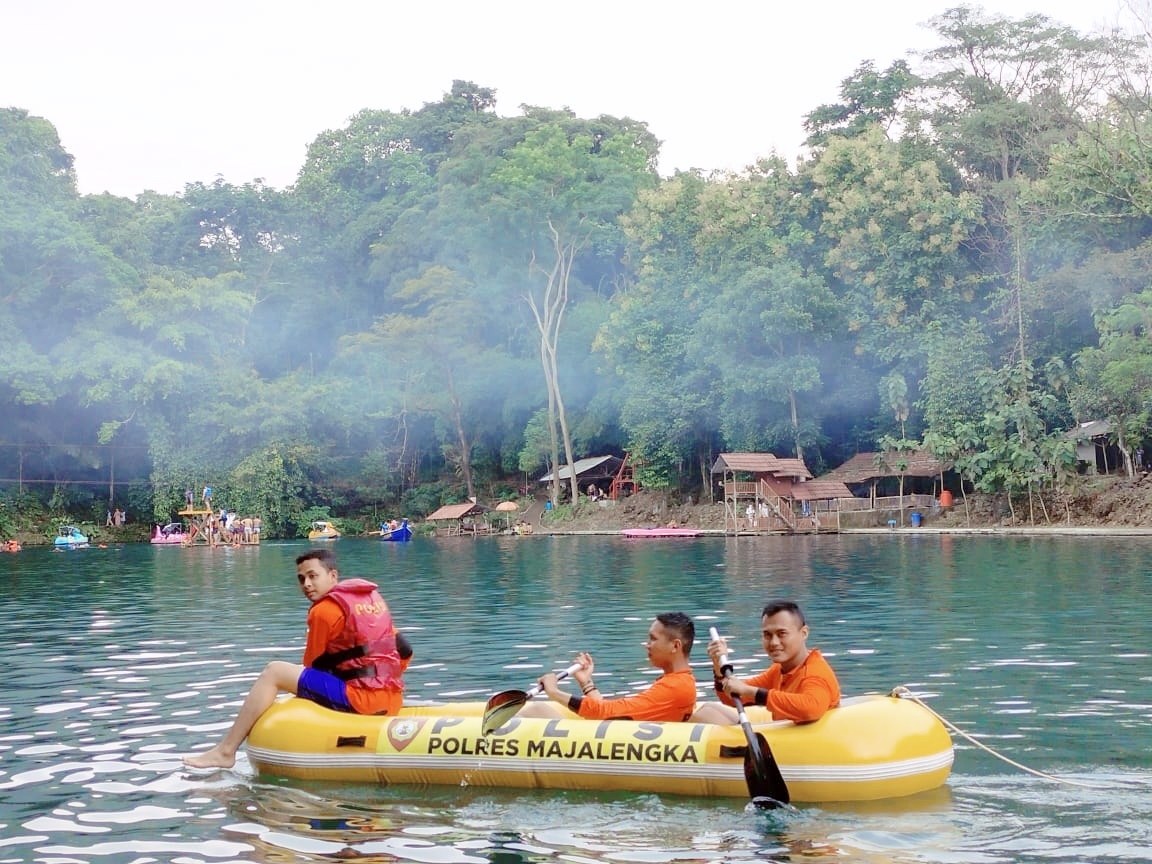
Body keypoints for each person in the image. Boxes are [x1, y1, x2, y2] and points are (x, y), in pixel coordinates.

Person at [183, 548, 412, 769]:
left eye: (313, 576)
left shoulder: (323, 611)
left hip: (361, 701)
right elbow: (405, 650)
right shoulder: (369, 601)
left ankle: (225, 751)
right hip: (392, 700)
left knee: (274, 672)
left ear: (333, 575)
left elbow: (310, 667)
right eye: (301, 579)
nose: (307, 585)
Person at [520, 612, 697, 722]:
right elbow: (613, 713)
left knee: (537, 710)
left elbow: (605, 713)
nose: (647, 644)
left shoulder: (675, 687)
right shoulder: (679, 682)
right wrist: (586, 682)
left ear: (675, 646)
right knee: (537, 710)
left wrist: (554, 692)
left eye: (653, 639)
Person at [691, 600, 840, 725]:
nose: (774, 642)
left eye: (782, 634)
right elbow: (734, 697)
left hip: (810, 746)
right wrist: (718, 669)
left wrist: (751, 692)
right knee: (709, 710)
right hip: (784, 739)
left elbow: (810, 709)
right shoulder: (778, 670)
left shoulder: (815, 672)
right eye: (767, 635)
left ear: (804, 633)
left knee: (703, 717)